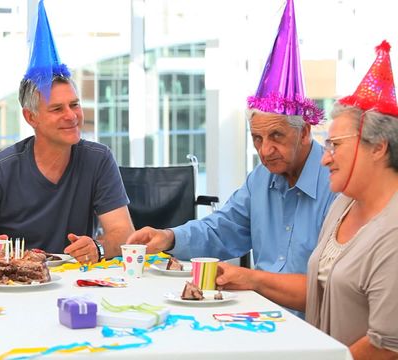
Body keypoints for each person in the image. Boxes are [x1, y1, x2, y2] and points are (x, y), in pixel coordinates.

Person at [215, 41, 398, 359]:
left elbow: (386, 346)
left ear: (379, 148)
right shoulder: (344, 205)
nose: (325, 159)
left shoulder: (391, 232)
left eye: (335, 145)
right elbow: (321, 293)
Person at [126, 0, 336, 275]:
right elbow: (221, 229)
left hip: (312, 316)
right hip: (259, 311)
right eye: (257, 138)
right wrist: (170, 237)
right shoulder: (260, 180)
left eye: (276, 135)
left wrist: (252, 280)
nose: (265, 149)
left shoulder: (336, 184)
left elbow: (330, 287)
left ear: (305, 131)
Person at [0, 0, 134, 264]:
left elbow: (123, 232)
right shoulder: (0, 169)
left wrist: (98, 247)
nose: (71, 115)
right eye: (57, 109)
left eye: (74, 104)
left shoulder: (98, 159)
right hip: (13, 284)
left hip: (74, 282)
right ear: (31, 117)